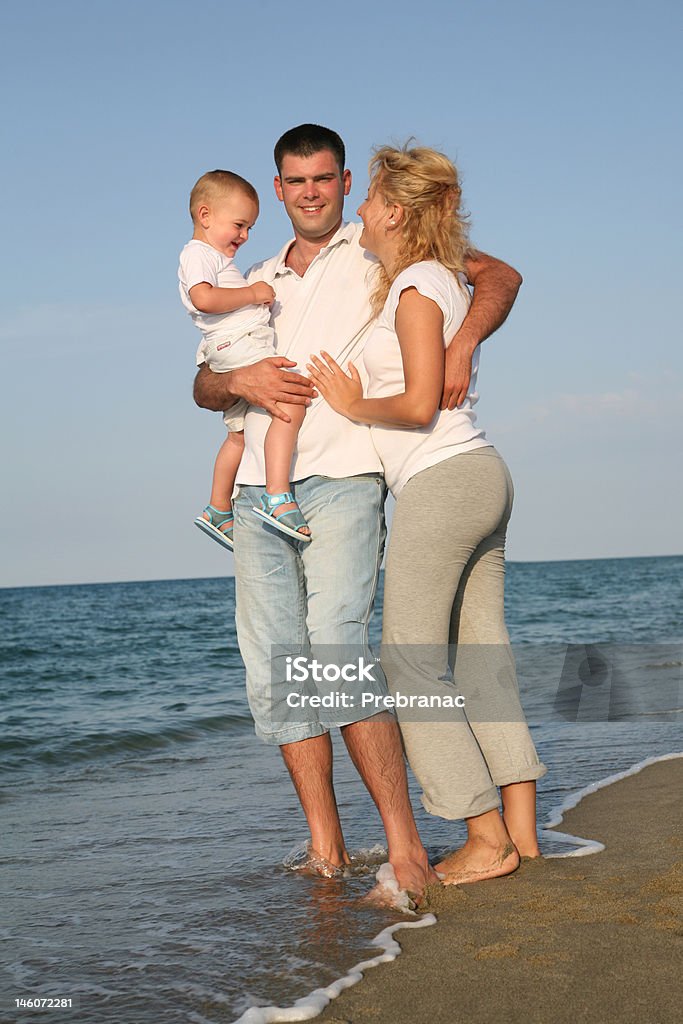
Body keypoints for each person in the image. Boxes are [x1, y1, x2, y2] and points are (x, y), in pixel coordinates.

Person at [193, 125, 524, 898]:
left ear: (343, 183)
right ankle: (326, 850)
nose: (309, 192)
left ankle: (405, 847)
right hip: (257, 496)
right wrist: (239, 384)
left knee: (336, 656)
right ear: (276, 190)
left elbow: (498, 275)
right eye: (294, 181)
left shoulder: (378, 244)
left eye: (323, 178)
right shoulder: (252, 277)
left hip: (345, 479)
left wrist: (464, 343)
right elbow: (203, 387)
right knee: (279, 673)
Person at [308, 143, 547, 885]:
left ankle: (479, 834)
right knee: (481, 656)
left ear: (396, 212)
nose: (360, 210)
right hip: (479, 474)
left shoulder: (415, 285)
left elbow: (415, 405)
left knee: (409, 660)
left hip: (441, 479)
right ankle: (520, 834)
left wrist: (353, 403)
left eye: (372, 199)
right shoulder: (434, 275)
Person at [179, 169, 311, 550]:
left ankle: (218, 508)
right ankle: (278, 495)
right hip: (238, 343)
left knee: (237, 435)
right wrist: (253, 293)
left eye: (249, 227)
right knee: (290, 402)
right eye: (238, 225)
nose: (244, 236)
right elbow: (204, 298)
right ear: (205, 216)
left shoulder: (210, 255)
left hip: (228, 348)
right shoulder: (198, 254)